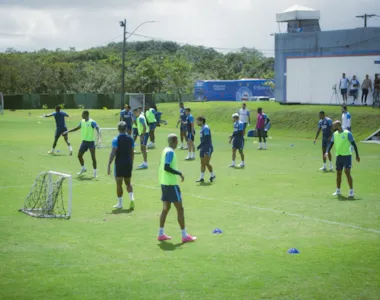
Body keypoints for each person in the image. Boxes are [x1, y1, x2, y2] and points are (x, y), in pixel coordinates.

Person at [158, 133, 196, 243]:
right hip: (171, 184)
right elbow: (166, 167)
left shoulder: (165, 150)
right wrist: (179, 173)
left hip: (164, 183)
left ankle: (161, 234)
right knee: (180, 208)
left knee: (166, 209)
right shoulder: (170, 152)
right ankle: (184, 235)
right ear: (174, 141)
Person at [325, 121, 360, 198]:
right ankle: (338, 190)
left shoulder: (347, 133)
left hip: (347, 156)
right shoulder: (335, 134)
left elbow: (354, 144)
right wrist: (327, 152)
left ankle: (351, 191)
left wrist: (357, 155)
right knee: (338, 173)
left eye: (334, 125)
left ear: (338, 125)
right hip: (339, 156)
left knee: (347, 172)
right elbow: (331, 144)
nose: (333, 127)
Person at [63, 110, 100, 178]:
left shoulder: (92, 122)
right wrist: (67, 131)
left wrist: (99, 136)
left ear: (86, 115)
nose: (81, 115)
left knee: (93, 157)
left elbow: (97, 127)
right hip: (84, 142)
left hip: (91, 142)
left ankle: (95, 173)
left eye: (82, 114)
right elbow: (77, 128)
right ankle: (83, 168)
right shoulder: (82, 121)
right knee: (79, 155)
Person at [107, 121, 135, 210]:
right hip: (128, 164)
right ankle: (132, 198)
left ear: (118, 129)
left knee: (119, 184)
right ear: (126, 129)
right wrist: (131, 163)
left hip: (119, 164)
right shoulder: (131, 139)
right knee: (128, 183)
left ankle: (120, 204)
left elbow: (113, 153)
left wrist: (109, 164)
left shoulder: (116, 139)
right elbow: (132, 152)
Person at [196, 116, 215, 183]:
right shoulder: (202, 128)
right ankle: (201, 178)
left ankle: (212, 175)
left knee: (206, 163)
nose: (196, 122)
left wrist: (199, 145)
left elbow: (206, 138)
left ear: (201, 121)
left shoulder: (206, 128)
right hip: (203, 147)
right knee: (202, 163)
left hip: (207, 147)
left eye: (197, 121)